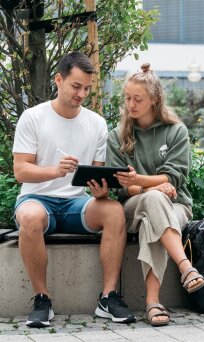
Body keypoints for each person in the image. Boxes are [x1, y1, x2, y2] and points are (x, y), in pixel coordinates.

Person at [12, 51, 136, 328]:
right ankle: (42, 298)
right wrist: (55, 170)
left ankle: (108, 297)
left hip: (75, 204)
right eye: (76, 86)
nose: (82, 94)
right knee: (30, 217)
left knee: (114, 211)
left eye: (87, 88)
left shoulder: (96, 123)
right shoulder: (33, 117)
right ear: (59, 79)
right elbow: (20, 170)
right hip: (37, 199)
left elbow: (96, 174)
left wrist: (101, 191)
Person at [106, 63, 204, 326]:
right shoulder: (117, 136)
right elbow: (118, 185)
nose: (131, 104)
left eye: (137, 99)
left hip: (176, 205)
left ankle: (153, 303)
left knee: (154, 217)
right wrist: (148, 186)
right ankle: (185, 267)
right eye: (127, 98)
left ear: (154, 99)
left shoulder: (176, 131)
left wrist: (141, 181)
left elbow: (173, 179)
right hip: (131, 206)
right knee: (152, 199)